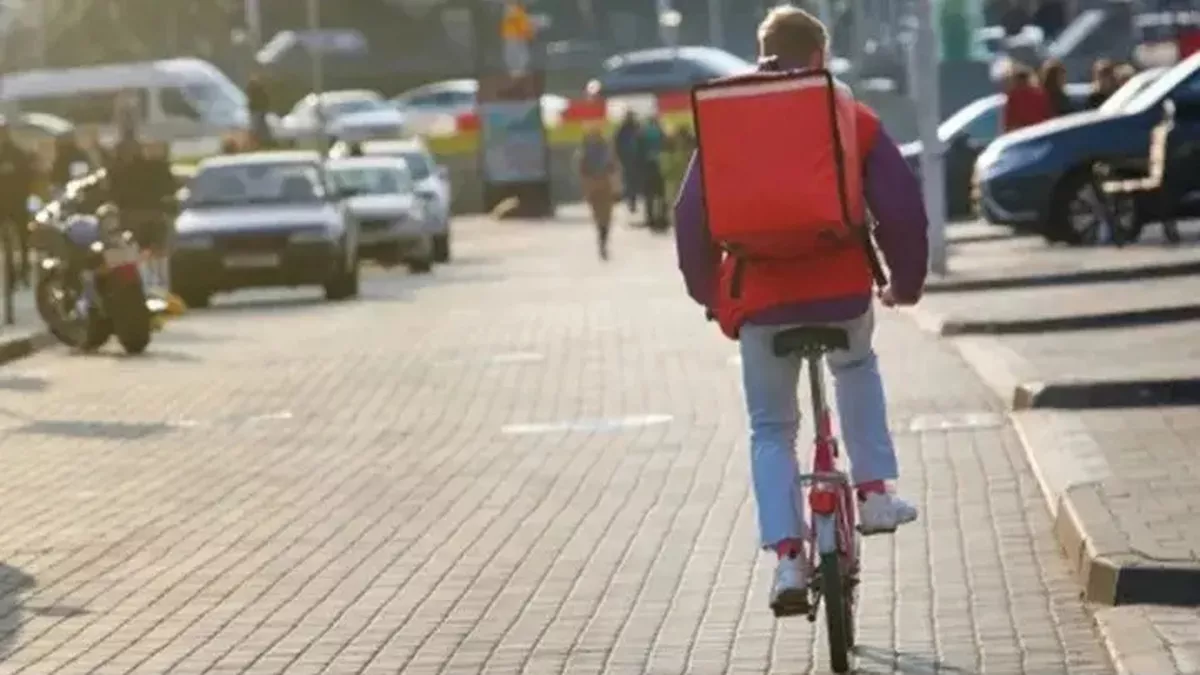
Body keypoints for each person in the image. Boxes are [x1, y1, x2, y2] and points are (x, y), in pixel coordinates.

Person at [673, 5, 925, 616]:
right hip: (841, 291)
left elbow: (689, 217)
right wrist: (906, 284)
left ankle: (788, 557)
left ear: (762, 52)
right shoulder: (846, 112)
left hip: (760, 301)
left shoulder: (727, 118)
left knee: (771, 429)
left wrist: (710, 294)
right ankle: (873, 493)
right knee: (855, 367)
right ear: (819, 57)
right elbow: (900, 207)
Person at [0, 118, 35, 288]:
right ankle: (11, 275)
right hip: (2, 203)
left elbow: (28, 177)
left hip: (17, 202)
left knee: (22, 237)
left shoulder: (18, 153)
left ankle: (25, 269)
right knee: (6, 240)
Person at [575, 125, 619, 260]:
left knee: (600, 216)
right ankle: (603, 239)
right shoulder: (606, 150)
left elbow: (581, 170)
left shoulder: (585, 151)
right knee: (605, 216)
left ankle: (602, 238)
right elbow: (613, 168)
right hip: (603, 185)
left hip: (595, 185)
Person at [1002, 65, 1052, 132]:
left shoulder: (1013, 97)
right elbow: (1048, 114)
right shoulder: (1040, 94)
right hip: (1042, 130)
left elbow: (1010, 122)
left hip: (1026, 133)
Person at [639, 116, 668, 229]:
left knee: (649, 195)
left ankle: (650, 218)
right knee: (661, 194)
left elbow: (638, 152)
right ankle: (662, 217)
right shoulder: (661, 133)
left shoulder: (642, 134)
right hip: (661, 166)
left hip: (647, 167)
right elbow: (667, 147)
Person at [614, 111, 641, 214]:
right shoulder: (629, 128)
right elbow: (617, 144)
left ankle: (632, 201)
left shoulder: (626, 128)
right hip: (630, 158)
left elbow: (616, 143)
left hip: (632, 158)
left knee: (631, 180)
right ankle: (632, 202)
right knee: (630, 180)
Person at [246, 72, 274, 149]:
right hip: (258, 110)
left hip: (257, 110)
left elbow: (253, 100)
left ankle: (261, 142)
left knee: (257, 127)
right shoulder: (259, 89)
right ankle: (264, 142)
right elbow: (265, 100)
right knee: (261, 127)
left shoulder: (255, 90)